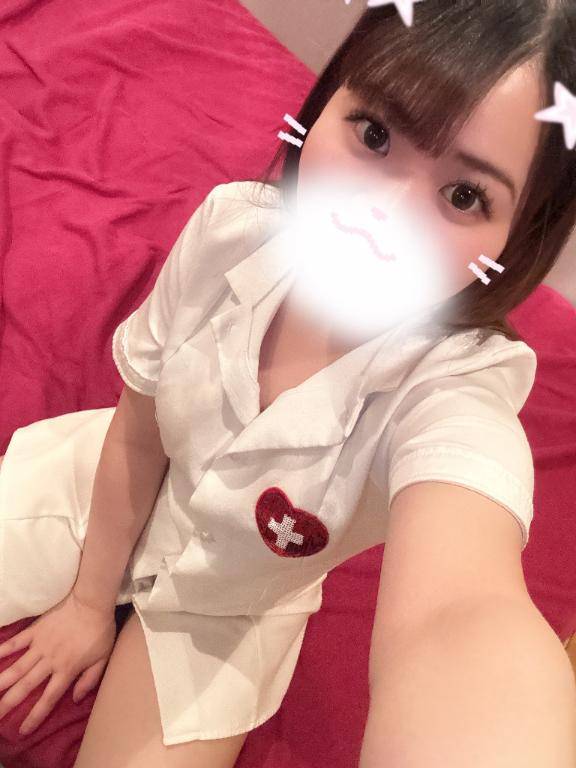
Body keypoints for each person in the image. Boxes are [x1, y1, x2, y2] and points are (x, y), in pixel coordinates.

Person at [1, 1, 575, 766]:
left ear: (518, 237)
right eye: (375, 134)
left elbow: (463, 612)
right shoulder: (230, 232)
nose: (378, 217)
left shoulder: (456, 389)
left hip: (228, 613)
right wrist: (85, 600)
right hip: (96, 493)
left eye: (464, 195)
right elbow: (137, 432)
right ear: (326, 101)